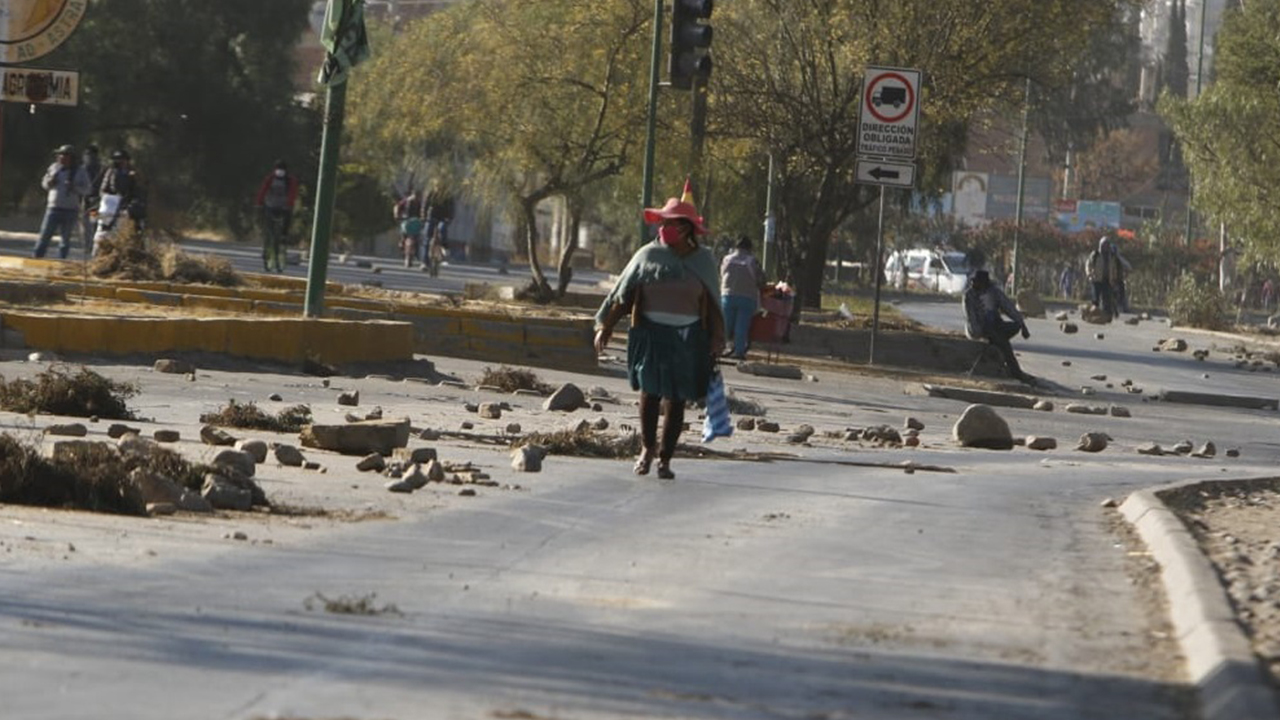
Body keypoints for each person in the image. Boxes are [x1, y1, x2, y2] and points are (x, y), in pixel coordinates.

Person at [594, 196, 725, 480]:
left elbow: (714, 302)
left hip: (688, 337)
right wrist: (606, 325)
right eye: (663, 222)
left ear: (687, 228)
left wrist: (717, 338)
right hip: (650, 334)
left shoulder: (703, 261)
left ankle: (665, 458)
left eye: (672, 223)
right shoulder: (648, 255)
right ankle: (646, 449)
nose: (665, 228)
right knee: (649, 393)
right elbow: (624, 294)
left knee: (676, 399)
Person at [963, 269, 1034, 384]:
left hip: (996, 326)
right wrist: (981, 335)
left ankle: (997, 341)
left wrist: (1022, 324)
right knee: (1004, 343)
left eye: (976, 282)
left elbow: (1008, 308)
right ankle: (1016, 372)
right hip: (981, 328)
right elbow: (971, 318)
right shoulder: (969, 295)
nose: (973, 284)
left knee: (1012, 328)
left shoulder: (994, 292)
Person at [33, 144, 92, 259]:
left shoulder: (80, 171)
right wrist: (50, 182)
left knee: (65, 240)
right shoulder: (54, 168)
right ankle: (37, 258)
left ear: (71, 157)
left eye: (64, 155)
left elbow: (88, 189)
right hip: (53, 208)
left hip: (70, 210)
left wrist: (75, 188)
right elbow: (44, 184)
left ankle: (61, 261)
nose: (61, 157)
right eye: (60, 155)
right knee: (44, 236)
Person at [719, 235, 765, 359]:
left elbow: (722, 274)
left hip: (727, 295)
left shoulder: (727, 259)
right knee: (742, 326)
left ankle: (721, 348)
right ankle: (739, 352)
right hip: (747, 297)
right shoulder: (752, 261)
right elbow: (760, 279)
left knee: (726, 325)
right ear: (749, 248)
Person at [255, 160, 300, 272]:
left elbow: (292, 193)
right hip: (271, 205)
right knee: (269, 226)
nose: (280, 172)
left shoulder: (290, 180)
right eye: (278, 169)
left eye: (282, 169)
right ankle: (267, 245)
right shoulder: (270, 179)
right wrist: (259, 202)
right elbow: (263, 190)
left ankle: (283, 236)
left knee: (287, 219)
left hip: (284, 206)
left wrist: (289, 204)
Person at [95, 149, 145, 247]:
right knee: (101, 228)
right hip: (110, 206)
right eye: (117, 160)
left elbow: (138, 191)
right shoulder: (110, 172)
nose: (119, 162)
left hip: (125, 207)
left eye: (122, 160)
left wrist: (131, 204)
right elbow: (103, 189)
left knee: (130, 230)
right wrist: (107, 198)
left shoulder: (133, 173)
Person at [419, 182, 454, 270]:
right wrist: (423, 216)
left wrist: (449, 218)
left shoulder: (448, 195)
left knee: (442, 229)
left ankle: (444, 247)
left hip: (443, 217)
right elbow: (425, 206)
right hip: (431, 216)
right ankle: (424, 262)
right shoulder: (430, 194)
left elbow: (452, 208)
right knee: (427, 238)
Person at [1085, 236, 1122, 321]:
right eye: (1103, 245)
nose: (1105, 247)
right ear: (1100, 245)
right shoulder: (1095, 254)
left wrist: (1114, 278)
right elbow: (1088, 264)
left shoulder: (1111, 256)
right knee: (1095, 299)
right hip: (1096, 280)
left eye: (1107, 245)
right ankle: (1093, 315)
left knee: (1107, 299)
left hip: (1107, 280)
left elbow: (1114, 268)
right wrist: (1089, 275)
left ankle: (1106, 316)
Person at [80, 145, 104, 257]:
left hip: (95, 201)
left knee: (93, 224)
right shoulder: (83, 169)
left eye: (90, 155)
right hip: (84, 201)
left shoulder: (101, 169)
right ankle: (87, 247)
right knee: (85, 225)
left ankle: (92, 247)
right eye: (87, 155)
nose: (89, 157)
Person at [394, 189, 422, 267]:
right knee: (404, 232)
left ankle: (414, 253)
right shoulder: (406, 201)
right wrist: (397, 215)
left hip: (415, 223)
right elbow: (397, 207)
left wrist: (422, 218)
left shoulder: (419, 203)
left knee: (418, 237)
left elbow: (421, 213)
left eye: (418, 197)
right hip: (406, 220)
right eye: (416, 196)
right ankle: (402, 241)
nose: (416, 198)